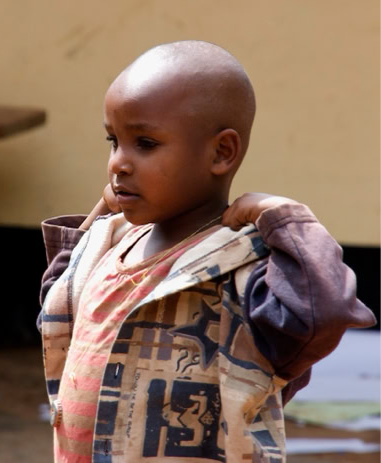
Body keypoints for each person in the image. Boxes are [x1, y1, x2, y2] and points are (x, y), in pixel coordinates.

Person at [37, 40, 376, 463]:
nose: (117, 163)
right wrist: (102, 215)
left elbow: (321, 315)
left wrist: (286, 220)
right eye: (113, 141)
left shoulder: (242, 272)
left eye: (145, 143)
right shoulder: (109, 250)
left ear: (221, 153)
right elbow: (56, 305)